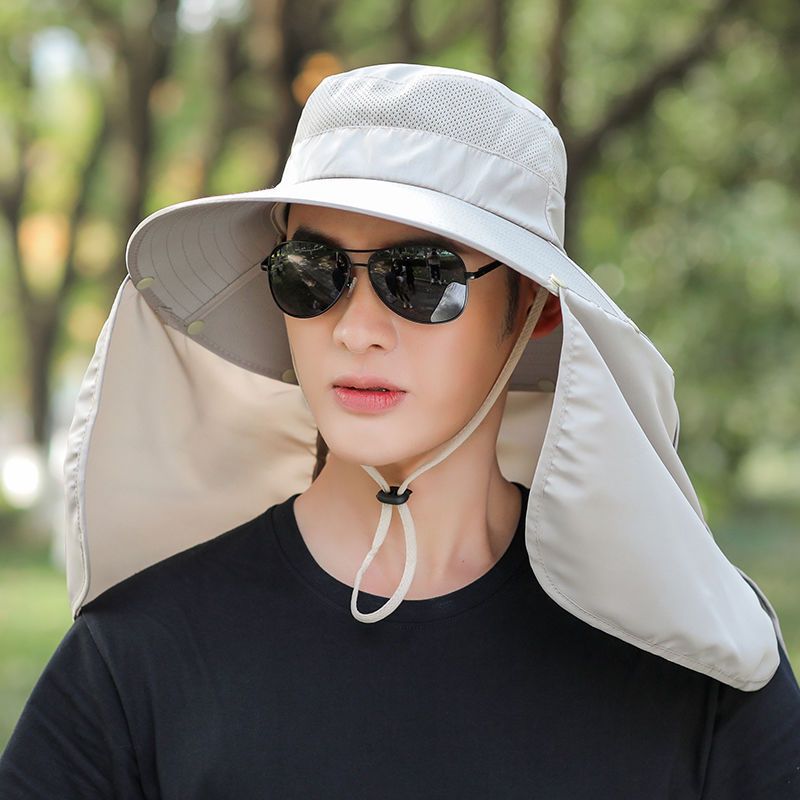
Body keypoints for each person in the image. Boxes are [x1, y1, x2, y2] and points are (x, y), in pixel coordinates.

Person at [1, 62, 799, 798]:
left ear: (534, 307)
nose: (356, 331)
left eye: (420, 276)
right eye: (312, 273)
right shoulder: (139, 659)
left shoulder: (691, 661)